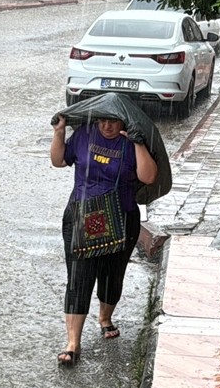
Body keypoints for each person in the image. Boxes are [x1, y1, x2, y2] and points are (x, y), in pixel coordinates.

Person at [50, 114, 158, 366]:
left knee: (112, 273)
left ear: (124, 122)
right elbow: (58, 160)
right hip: (81, 215)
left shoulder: (131, 142)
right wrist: (59, 132)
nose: (106, 126)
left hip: (121, 217)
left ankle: (104, 318)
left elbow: (149, 177)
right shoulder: (84, 135)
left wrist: (138, 143)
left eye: (113, 121)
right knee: (79, 275)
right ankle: (73, 342)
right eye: (102, 120)